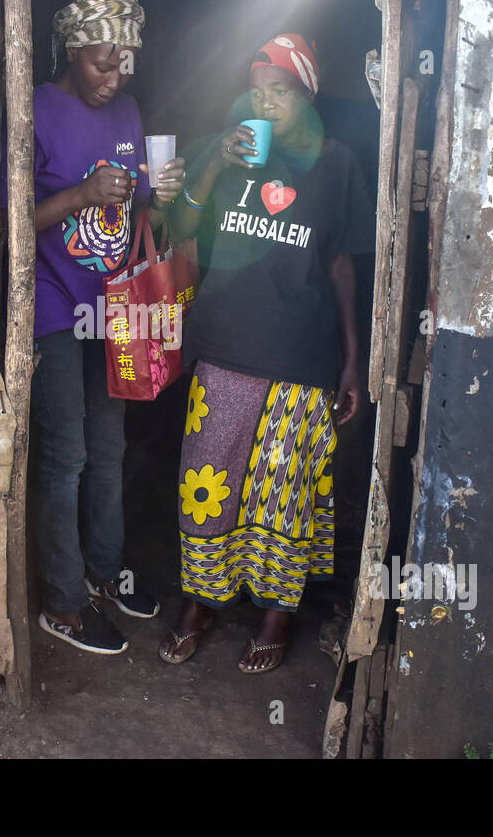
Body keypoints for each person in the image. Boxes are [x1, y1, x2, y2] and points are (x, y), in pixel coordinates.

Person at [157, 33, 372, 673]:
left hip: (302, 360)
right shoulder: (229, 157)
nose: (267, 102)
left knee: (287, 491)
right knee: (207, 479)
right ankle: (202, 601)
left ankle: (278, 615)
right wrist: (218, 162)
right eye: (258, 91)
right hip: (224, 348)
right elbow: (183, 225)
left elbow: (340, 267)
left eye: (280, 91)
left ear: (305, 95)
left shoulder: (337, 166)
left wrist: (352, 360)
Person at [24, 0, 185, 655]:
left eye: (123, 66)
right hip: (57, 305)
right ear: (71, 50)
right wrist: (83, 194)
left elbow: (135, 205)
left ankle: (105, 572)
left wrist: (161, 192)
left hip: (116, 306)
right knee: (67, 456)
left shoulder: (128, 110)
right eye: (101, 64)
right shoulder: (37, 107)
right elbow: (11, 222)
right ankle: (61, 604)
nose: (112, 79)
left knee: (111, 446)